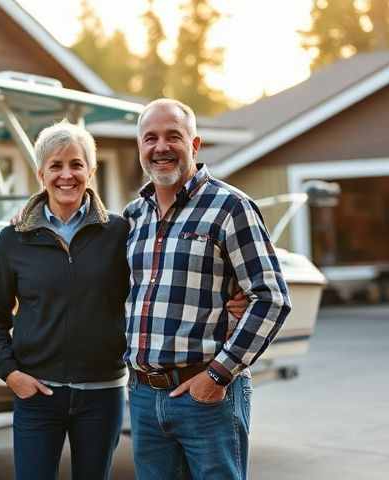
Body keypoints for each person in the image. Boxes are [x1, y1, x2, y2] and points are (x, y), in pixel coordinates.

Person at [124, 99, 292, 480]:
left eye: (173, 137)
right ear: (139, 147)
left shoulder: (231, 207)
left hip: (208, 395)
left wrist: (218, 375)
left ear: (195, 145)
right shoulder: (134, 216)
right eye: (150, 138)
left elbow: (272, 298)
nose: (160, 147)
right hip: (145, 398)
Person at [0, 121, 130, 480]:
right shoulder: (14, 239)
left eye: (76, 165)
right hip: (36, 396)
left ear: (91, 172)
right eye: (56, 166)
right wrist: (11, 374)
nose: (67, 175)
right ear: (40, 173)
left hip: (102, 395)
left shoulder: (119, 233)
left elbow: (158, 284)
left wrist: (227, 296)